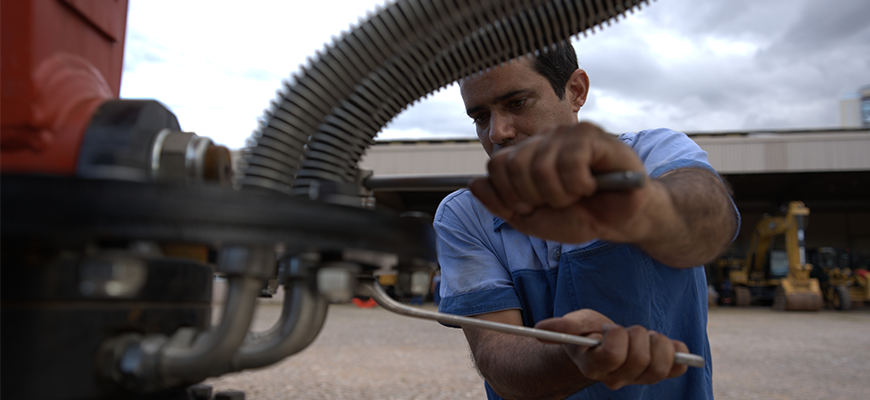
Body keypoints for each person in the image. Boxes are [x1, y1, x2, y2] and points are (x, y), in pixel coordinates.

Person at [433, 41, 739, 400]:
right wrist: (569, 357)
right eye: (481, 117)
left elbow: (710, 226)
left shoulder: (654, 156)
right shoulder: (465, 215)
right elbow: (498, 359)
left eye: (517, 103)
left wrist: (639, 205)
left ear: (575, 91)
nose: (498, 132)